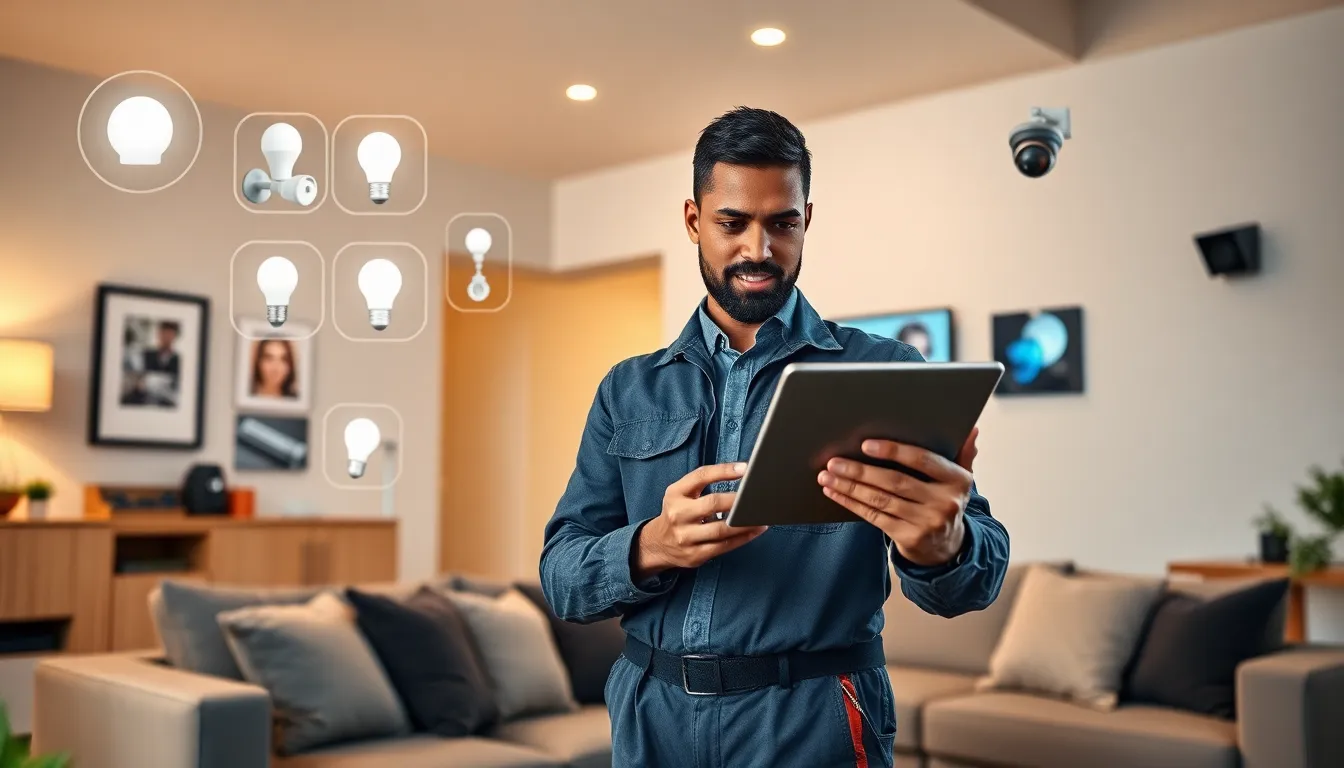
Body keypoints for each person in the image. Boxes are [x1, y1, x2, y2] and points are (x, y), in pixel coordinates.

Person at [539, 106, 1010, 768]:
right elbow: (561, 576)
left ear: (806, 221)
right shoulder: (629, 389)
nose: (758, 249)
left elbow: (971, 583)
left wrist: (946, 546)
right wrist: (653, 545)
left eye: (782, 223)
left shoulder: (886, 373)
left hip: (811, 719)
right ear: (694, 221)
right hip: (651, 722)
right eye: (732, 223)